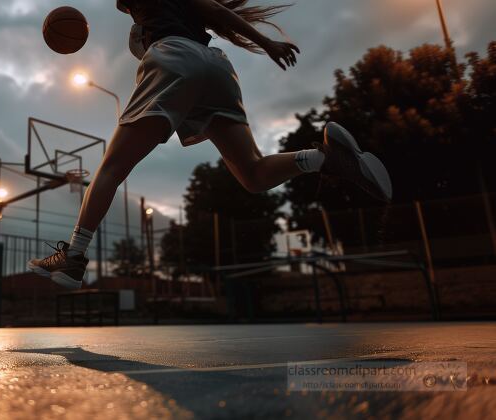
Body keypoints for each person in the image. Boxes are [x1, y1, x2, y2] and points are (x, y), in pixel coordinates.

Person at [29, 0, 392, 289]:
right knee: (252, 173)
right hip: (218, 68)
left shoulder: (146, 14)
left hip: (174, 58)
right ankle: (325, 158)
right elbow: (215, 11)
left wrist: (268, 43)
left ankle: (73, 257)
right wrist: (268, 44)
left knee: (111, 169)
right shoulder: (172, 11)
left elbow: (212, 12)